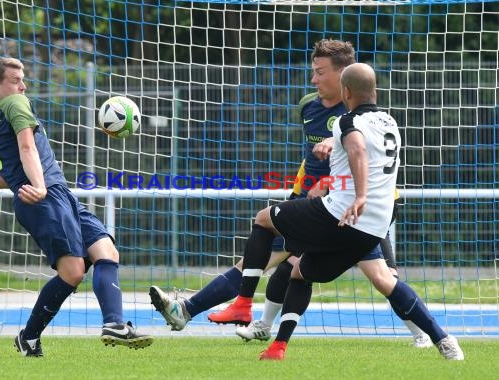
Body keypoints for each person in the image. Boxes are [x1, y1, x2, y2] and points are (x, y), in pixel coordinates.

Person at [151, 39, 430, 348]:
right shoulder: (308, 106)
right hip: (314, 205)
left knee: (381, 275)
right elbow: (311, 159)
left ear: (344, 77)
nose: (314, 79)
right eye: (313, 71)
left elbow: (368, 162)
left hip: (359, 207)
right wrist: (302, 188)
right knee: (266, 263)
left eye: (320, 72)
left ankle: (424, 334)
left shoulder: (361, 116)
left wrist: (330, 184)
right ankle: (195, 311)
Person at [207, 62, 464, 361]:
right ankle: (444, 340)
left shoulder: (345, 121)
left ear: (346, 92)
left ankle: (243, 303)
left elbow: (356, 149)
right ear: (375, 91)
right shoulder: (390, 122)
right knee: (307, 272)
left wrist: (359, 195)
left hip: (339, 214)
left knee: (264, 219)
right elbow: (358, 149)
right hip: (376, 224)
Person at [0, 57, 153, 357]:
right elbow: (26, 147)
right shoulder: (15, 104)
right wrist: (39, 185)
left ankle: (114, 324)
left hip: (56, 194)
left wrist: (29, 184)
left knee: (105, 251)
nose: (22, 86)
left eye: (23, 79)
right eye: (15, 80)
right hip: (46, 196)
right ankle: (29, 337)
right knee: (73, 272)